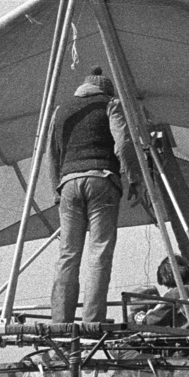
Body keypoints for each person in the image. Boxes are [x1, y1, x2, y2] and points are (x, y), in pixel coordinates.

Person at [48, 66, 139, 324]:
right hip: (102, 181)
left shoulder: (60, 110)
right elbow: (122, 142)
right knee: (99, 251)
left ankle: (60, 321)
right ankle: (91, 320)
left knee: (68, 254)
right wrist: (132, 177)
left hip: (68, 184)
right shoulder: (111, 104)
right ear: (105, 89)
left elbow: (52, 154)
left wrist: (57, 188)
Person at [133, 255, 189, 331]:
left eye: (167, 286)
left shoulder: (178, 292)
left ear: (170, 279)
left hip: (182, 341)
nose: (168, 289)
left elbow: (157, 318)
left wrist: (143, 319)